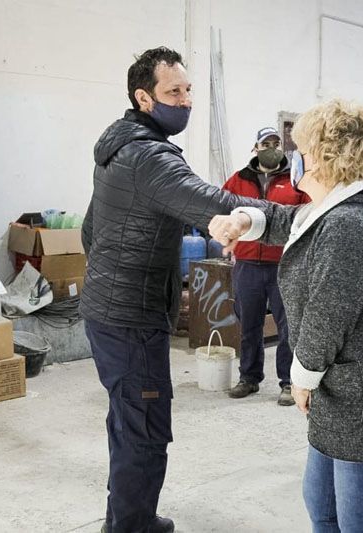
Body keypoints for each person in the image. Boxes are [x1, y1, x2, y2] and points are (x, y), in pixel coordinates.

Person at [80, 46, 274, 533]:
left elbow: (89, 231)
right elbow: (215, 200)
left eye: (188, 91)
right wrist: (288, 216)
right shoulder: (149, 157)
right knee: (145, 430)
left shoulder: (118, 146)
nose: (185, 101)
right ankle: (132, 527)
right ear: (144, 97)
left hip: (106, 308)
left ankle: (126, 519)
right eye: (174, 92)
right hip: (131, 316)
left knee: (127, 424)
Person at [209, 99, 363, 532]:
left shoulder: (349, 224)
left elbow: (328, 317)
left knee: (359, 520)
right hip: (342, 392)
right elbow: (286, 218)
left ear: (324, 157)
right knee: (321, 506)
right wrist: (242, 219)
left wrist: (301, 378)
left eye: (301, 147)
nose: (293, 158)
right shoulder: (332, 211)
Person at [221, 127, 309, 405]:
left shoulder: (295, 179)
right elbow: (222, 208)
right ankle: (249, 377)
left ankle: (288, 382)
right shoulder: (238, 180)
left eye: (276, 142)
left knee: (287, 327)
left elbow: (308, 212)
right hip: (247, 262)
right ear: (255, 148)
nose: (272, 146)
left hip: (284, 264)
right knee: (249, 324)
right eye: (266, 143)